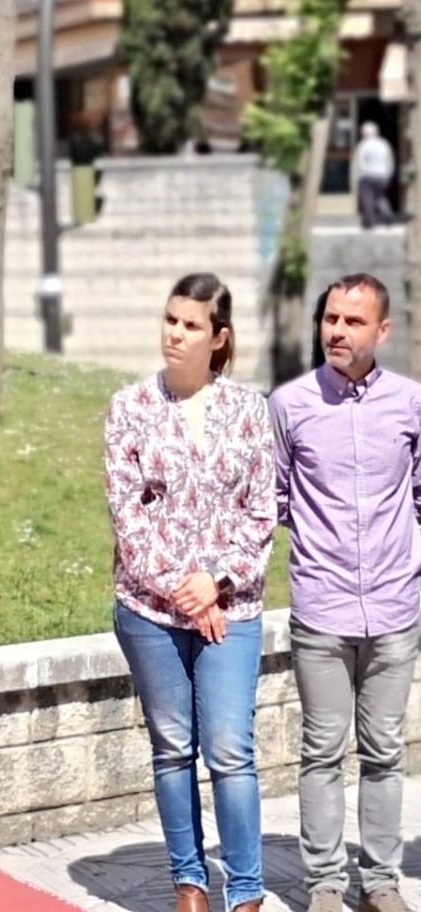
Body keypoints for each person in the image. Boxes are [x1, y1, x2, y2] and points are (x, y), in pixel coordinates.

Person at [105, 272, 276, 912]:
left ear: (219, 338)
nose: (175, 334)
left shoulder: (249, 411)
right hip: (151, 610)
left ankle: (248, 892)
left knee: (230, 750)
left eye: (191, 325)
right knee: (173, 747)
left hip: (233, 608)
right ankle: (190, 886)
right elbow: (130, 517)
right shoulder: (130, 408)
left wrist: (216, 584)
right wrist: (184, 592)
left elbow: (262, 512)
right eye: (171, 320)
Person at [268, 273, 421, 912]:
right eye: (331, 318)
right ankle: (326, 884)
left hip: (394, 607)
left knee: (385, 752)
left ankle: (381, 882)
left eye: (353, 322)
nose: (337, 331)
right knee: (322, 751)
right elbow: (275, 498)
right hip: (322, 607)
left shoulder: (411, 403)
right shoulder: (289, 403)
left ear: (382, 331)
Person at [354, 122, 395, 230]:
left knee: (368, 199)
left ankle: (369, 223)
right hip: (382, 175)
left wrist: (358, 176)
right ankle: (387, 213)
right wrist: (388, 175)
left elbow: (360, 162)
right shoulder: (384, 144)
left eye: (362, 133)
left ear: (365, 133)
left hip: (367, 175)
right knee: (380, 197)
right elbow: (389, 161)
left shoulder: (363, 145)